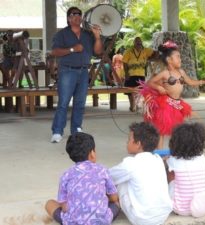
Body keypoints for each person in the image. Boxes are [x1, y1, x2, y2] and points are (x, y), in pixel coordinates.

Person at [139, 40, 205, 149]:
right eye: (177, 57)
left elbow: (190, 82)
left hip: (177, 104)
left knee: (176, 130)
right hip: (166, 104)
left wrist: (203, 82)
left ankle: (175, 151)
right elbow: (150, 82)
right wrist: (159, 87)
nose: (180, 59)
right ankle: (160, 155)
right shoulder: (165, 73)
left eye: (180, 56)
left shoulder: (181, 72)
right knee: (162, 130)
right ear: (169, 60)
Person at [50, 6, 102, 143]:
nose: (77, 16)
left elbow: (98, 51)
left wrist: (97, 37)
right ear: (68, 18)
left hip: (83, 71)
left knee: (80, 102)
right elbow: (54, 52)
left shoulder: (87, 34)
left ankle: (77, 129)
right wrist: (73, 49)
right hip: (67, 70)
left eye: (79, 14)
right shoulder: (62, 34)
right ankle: (57, 131)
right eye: (74, 14)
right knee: (63, 103)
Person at [45, 132, 120, 225]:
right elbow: (114, 198)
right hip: (101, 221)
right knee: (117, 202)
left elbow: (63, 206)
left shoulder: (66, 174)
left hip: (73, 222)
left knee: (49, 203)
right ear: (92, 153)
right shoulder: (102, 170)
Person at [109, 122, 172, 225]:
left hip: (142, 219)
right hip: (163, 215)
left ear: (138, 144)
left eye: (129, 139)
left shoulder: (130, 163)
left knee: (121, 183)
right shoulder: (158, 159)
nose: (127, 142)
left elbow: (107, 176)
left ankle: (115, 205)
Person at [166, 122, 205, 217]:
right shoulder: (202, 158)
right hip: (204, 206)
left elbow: (171, 165)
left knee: (169, 172)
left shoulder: (173, 160)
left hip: (181, 209)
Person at [123, 37, 157, 112]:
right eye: (137, 43)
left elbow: (155, 53)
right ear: (134, 43)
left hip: (141, 74)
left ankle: (136, 105)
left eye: (140, 43)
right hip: (130, 74)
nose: (139, 44)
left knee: (140, 91)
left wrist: (151, 57)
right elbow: (124, 62)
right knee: (130, 91)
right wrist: (126, 74)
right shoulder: (129, 51)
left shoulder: (145, 50)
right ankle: (132, 106)